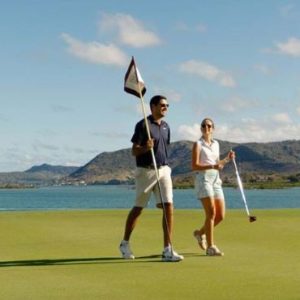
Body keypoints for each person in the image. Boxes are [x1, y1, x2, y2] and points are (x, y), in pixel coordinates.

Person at [119, 95, 184, 262]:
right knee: (139, 208)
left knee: (169, 205)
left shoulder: (166, 127)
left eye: (167, 105)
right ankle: (125, 243)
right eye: (162, 105)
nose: (165, 108)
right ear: (153, 106)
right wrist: (145, 147)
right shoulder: (143, 125)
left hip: (163, 169)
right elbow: (134, 151)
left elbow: (164, 147)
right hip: (146, 171)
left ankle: (167, 249)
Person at [191, 117, 234, 256]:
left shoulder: (216, 144)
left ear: (213, 128)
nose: (206, 128)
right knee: (211, 213)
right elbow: (194, 166)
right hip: (203, 179)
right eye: (204, 125)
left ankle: (199, 233)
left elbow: (217, 163)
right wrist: (212, 166)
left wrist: (227, 159)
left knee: (220, 216)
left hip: (216, 179)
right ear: (201, 128)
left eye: (209, 126)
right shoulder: (198, 144)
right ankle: (211, 247)